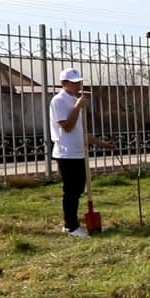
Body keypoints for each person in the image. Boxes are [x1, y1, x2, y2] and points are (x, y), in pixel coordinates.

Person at [49, 68, 114, 238]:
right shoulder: (59, 101)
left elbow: (81, 131)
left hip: (78, 153)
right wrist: (77, 108)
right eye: (74, 82)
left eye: (79, 81)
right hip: (66, 153)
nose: (78, 85)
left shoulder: (74, 100)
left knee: (77, 190)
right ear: (64, 83)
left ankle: (70, 223)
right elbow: (67, 127)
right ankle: (71, 227)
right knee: (71, 191)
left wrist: (102, 144)